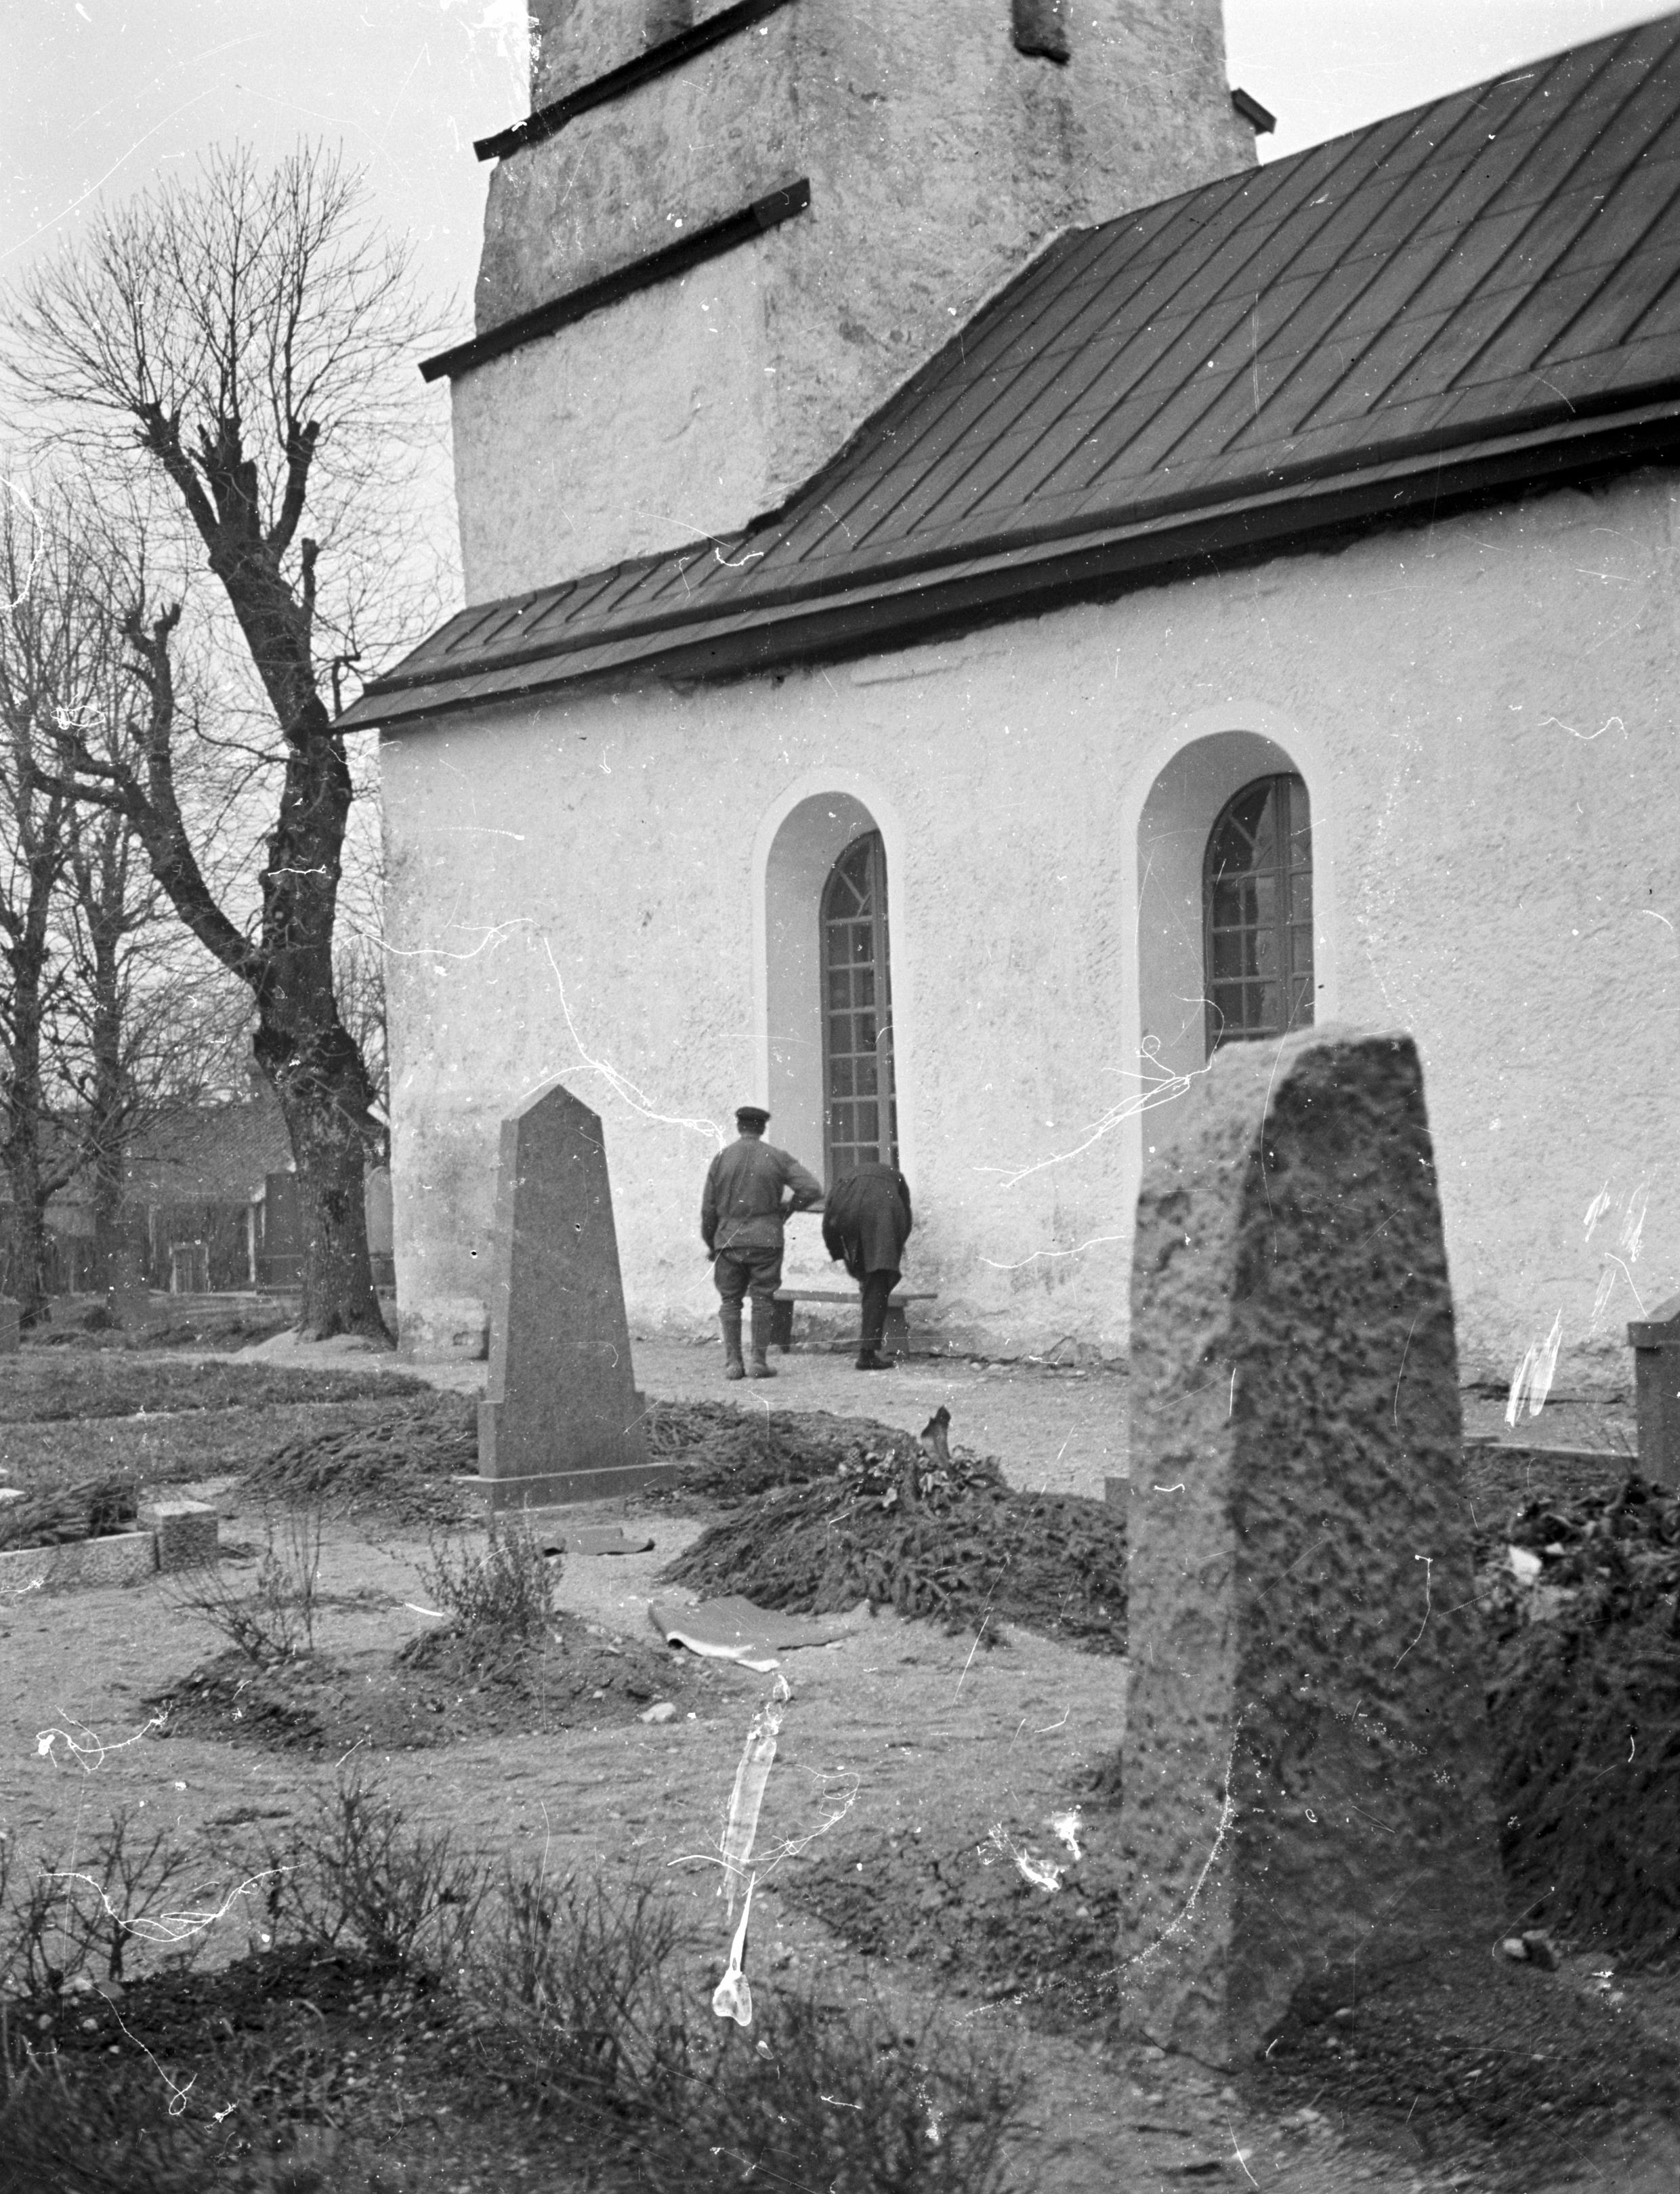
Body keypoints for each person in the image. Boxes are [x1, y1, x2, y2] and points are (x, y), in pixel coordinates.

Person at [701, 1106, 824, 1380]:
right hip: (766, 1239)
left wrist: (712, 1243)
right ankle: (758, 1362)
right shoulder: (777, 1157)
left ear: (739, 1127)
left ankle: (733, 1363)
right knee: (763, 1300)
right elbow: (813, 1189)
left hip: (728, 1240)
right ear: (762, 1128)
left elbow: (708, 1209)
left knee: (730, 1301)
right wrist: (789, 1208)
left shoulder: (722, 1159)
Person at [822, 1159, 913, 1370]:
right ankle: (867, 1355)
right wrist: (892, 1253)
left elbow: (829, 1220)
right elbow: (905, 1219)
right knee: (878, 1281)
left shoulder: (845, 1178)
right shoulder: (896, 1179)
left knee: (869, 1277)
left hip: (847, 1207)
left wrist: (838, 1253)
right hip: (881, 1212)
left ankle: (866, 1284)